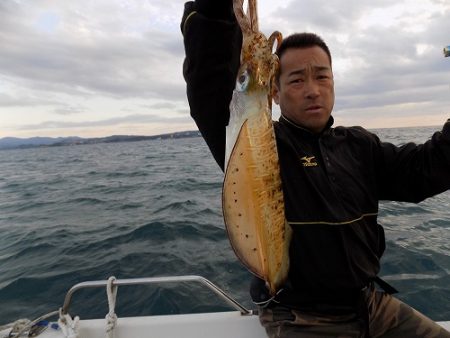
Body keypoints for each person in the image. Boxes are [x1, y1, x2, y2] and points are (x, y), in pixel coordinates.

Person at [181, 0, 450, 337]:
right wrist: (215, 11)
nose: (312, 90)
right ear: (274, 92)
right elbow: (210, 81)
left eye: (322, 76)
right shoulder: (259, 145)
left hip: (371, 306)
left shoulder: (359, 146)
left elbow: (426, 169)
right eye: (296, 80)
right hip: (301, 319)